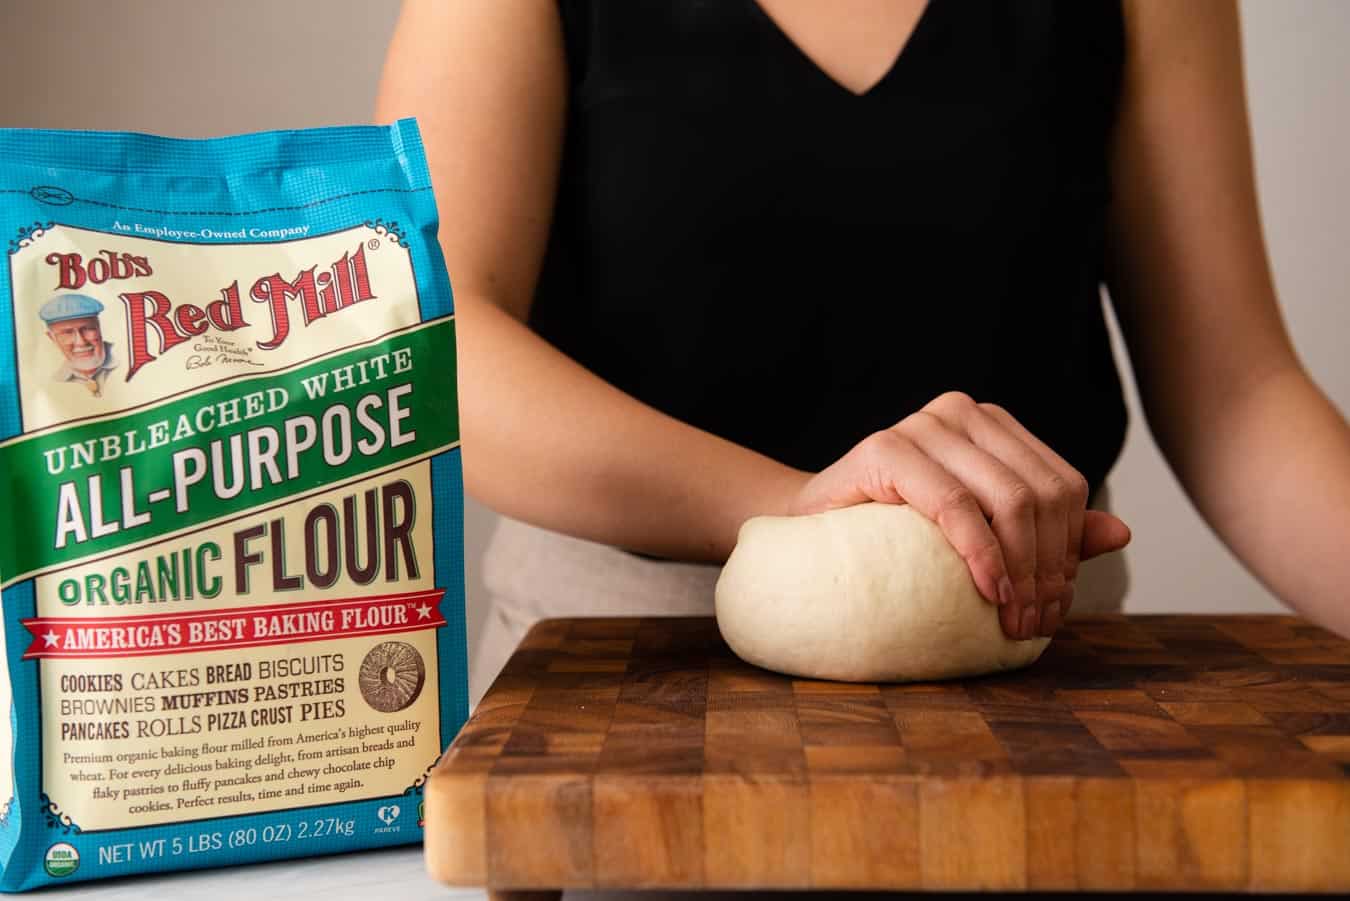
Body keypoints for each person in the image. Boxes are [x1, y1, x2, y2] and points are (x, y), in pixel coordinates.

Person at [375, 0, 1350, 700]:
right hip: (616, 677)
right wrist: (789, 510)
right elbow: (433, 340)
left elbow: (1239, 396)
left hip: (1051, 690)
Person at [40, 293, 117, 397]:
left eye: (87, 329)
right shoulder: (54, 381)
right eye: (67, 332)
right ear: (52, 338)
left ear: (99, 328)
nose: (81, 342)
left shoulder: (126, 359)